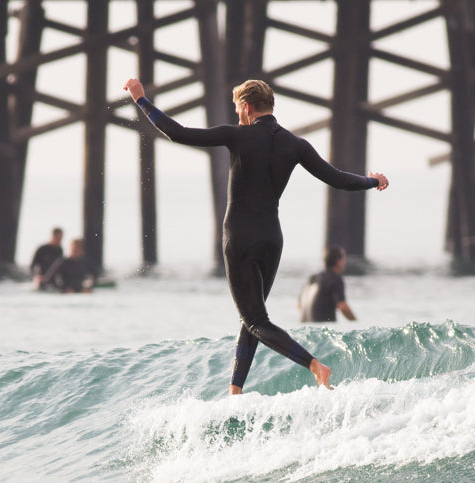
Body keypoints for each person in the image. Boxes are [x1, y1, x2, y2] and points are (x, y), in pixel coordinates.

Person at [125, 76, 389, 394]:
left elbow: (178, 133)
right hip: (271, 240)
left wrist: (141, 100)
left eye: (238, 109)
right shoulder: (296, 144)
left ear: (247, 107)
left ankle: (315, 366)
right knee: (252, 317)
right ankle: (235, 391)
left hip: (239, 239)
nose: (238, 115)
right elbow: (339, 180)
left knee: (254, 319)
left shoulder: (238, 136)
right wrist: (372, 181)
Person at [299, 246, 357, 323]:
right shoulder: (335, 279)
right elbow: (343, 307)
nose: (345, 263)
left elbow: (299, 305)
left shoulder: (312, 278)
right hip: (324, 329)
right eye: (344, 259)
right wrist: (357, 323)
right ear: (338, 261)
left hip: (306, 327)